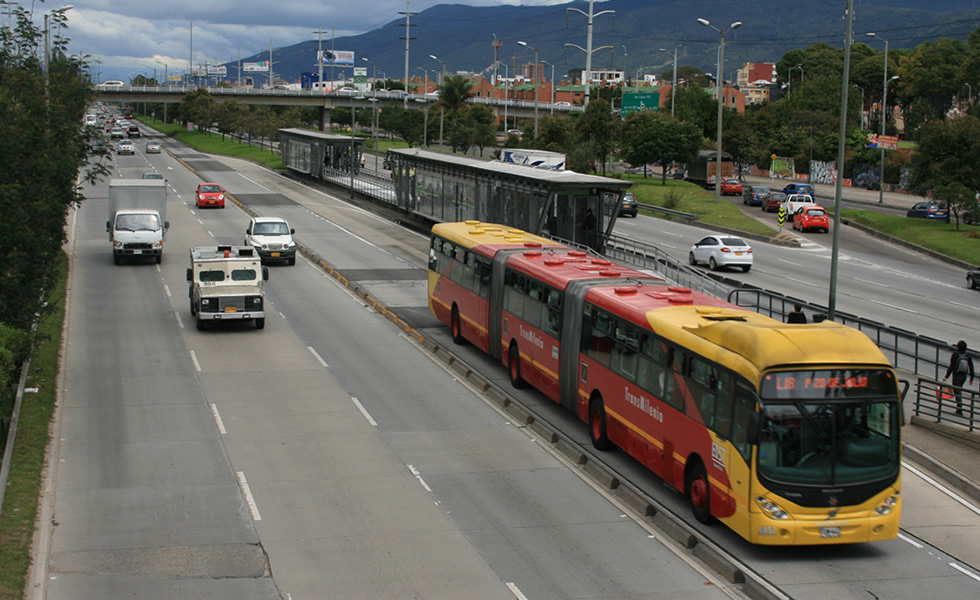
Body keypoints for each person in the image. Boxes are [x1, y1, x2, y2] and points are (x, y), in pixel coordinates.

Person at [942, 340, 975, 415]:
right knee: (958, 390)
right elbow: (971, 367)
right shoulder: (968, 355)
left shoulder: (955, 354)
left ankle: (959, 409)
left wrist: (946, 376)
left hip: (956, 375)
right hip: (964, 376)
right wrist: (971, 378)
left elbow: (952, 366)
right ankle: (959, 408)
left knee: (957, 392)